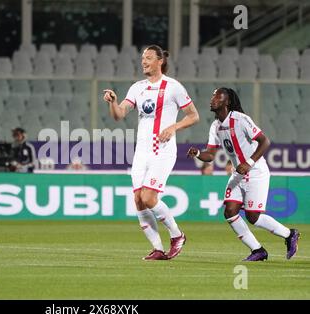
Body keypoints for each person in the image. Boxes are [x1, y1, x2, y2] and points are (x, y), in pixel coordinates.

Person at [103, 45, 199, 260]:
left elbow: (194, 116)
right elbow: (119, 115)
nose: (143, 61)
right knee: (138, 199)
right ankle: (157, 248)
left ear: (160, 61)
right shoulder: (137, 88)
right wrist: (113, 102)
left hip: (162, 150)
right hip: (142, 152)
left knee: (148, 196)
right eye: (142, 58)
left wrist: (173, 127)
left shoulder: (174, 87)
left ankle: (177, 235)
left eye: (148, 58)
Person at [187, 87, 300, 261]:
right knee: (230, 211)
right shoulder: (215, 126)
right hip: (238, 174)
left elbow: (265, 141)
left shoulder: (240, 119)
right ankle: (258, 250)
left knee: (253, 217)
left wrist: (249, 162)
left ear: (227, 102)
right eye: (212, 96)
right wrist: (197, 154)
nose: (212, 99)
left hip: (255, 171)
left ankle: (289, 234)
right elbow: (210, 155)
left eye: (217, 96)